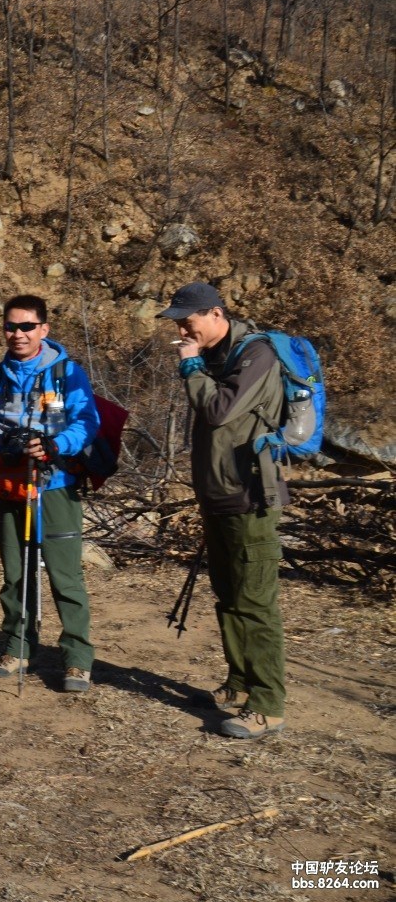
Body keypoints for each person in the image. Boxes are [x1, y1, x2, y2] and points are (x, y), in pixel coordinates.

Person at [160, 282, 289, 740]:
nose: (181, 327)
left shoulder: (259, 356)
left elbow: (218, 410)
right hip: (218, 497)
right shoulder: (218, 355)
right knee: (229, 597)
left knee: (255, 604)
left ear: (216, 313)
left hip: (250, 498)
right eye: (177, 319)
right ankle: (238, 684)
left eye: (187, 318)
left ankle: (268, 704)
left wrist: (190, 364)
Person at [0, 295, 100, 692]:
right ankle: (19, 645)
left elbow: (88, 421)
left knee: (64, 575)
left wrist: (57, 445)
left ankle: (77, 658)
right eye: (10, 326)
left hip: (55, 485)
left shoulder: (66, 373)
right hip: (10, 484)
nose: (17, 334)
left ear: (43, 330)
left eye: (26, 327)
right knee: (15, 573)